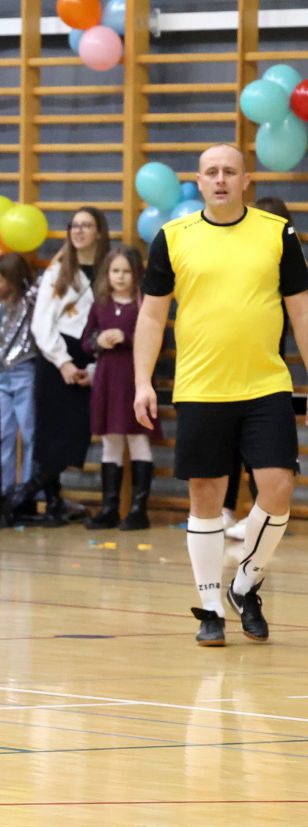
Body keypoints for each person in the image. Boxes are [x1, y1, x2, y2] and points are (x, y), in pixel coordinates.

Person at [136, 145, 308, 646]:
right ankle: (210, 607)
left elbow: (300, 310)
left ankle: (245, 583)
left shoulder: (277, 234)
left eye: (230, 171)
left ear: (246, 180)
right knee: (206, 496)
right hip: (200, 387)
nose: (220, 179)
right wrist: (143, 381)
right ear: (198, 181)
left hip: (265, 385)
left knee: (277, 487)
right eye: (211, 172)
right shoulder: (173, 237)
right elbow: (152, 315)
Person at [10, 207, 112, 525]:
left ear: (99, 231)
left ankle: (41, 499)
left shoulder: (109, 270)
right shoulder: (58, 270)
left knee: (74, 435)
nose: (78, 231)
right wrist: (64, 362)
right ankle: (27, 498)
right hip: (56, 359)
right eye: (74, 225)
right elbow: (41, 324)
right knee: (51, 437)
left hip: (90, 356)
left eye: (86, 225)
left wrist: (93, 369)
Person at [220, 195, 297, 537]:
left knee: (262, 451)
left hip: (263, 376)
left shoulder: (284, 269)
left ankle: (259, 512)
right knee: (226, 443)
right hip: (224, 370)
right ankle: (224, 509)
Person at [82, 245, 159, 530]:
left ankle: (139, 510)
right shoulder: (100, 305)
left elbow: (157, 340)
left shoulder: (143, 305)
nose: (120, 276)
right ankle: (109, 508)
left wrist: (126, 338)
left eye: (126, 271)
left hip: (133, 380)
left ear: (136, 274)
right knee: (110, 442)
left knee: (138, 439)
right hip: (106, 381)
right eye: (115, 270)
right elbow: (85, 342)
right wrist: (98, 340)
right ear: (107, 273)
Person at [0, 251, 40, 522]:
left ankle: (28, 493)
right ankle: (3, 491)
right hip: (0, 375)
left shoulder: (29, 300)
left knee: (30, 432)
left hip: (24, 371)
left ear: (13, 281)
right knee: (4, 433)